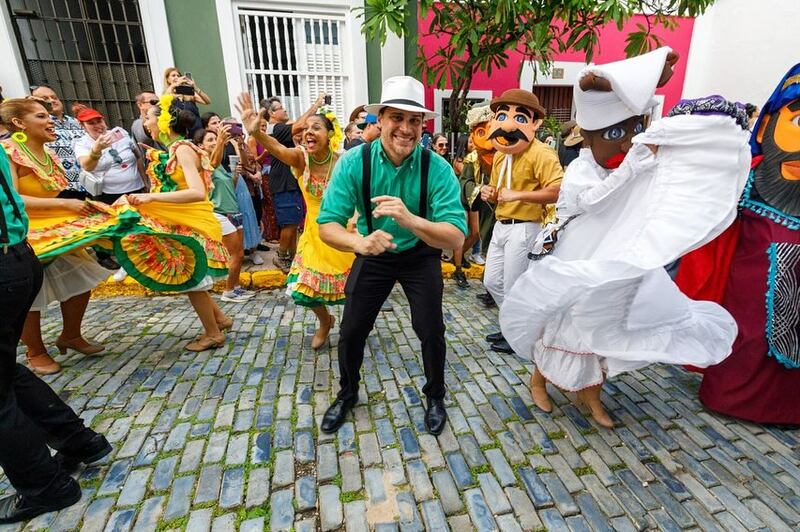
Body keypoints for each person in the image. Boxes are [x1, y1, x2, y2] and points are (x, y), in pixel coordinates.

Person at [500, 48, 750, 428]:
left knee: (600, 329)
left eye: (633, 131)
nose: (625, 143)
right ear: (587, 136)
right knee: (563, 322)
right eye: (616, 134)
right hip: (575, 257)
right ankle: (540, 380)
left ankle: (591, 394)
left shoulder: (631, 161)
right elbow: (591, 201)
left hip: (611, 260)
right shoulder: (582, 169)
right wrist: (633, 165)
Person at [315, 76, 468, 435]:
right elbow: (327, 225)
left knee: (431, 329)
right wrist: (358, 244)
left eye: (414, 120)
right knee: (352, 330)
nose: (405, 128)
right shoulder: (355, 162)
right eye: (396, 118)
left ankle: (435, 396)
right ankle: (347, 394)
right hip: (373, 252)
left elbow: (457, 236)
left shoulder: (437, 167)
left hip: (419, 253)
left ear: (423, 126)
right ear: (380, 119)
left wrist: (410, 219)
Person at [676, 63, 800, 425]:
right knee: (745, 338)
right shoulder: (746, 175)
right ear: (766, 126)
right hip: (747, 285)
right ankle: (732, 398)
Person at [0, 147, 112, 524]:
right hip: (17, 256)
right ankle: (80, 442)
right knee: (6, 372)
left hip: (7, 259)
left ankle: (46, 487)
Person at [1, 98, 109, 375]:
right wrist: (64, 205)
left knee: (82, 276)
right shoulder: (8, 151)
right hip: (28, 232)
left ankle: (71, 335)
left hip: (58, 227)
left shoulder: (47, 153)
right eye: (41, 116)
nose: (51, 121)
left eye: (49, 115)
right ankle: (36, 351)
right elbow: (12, 199)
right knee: (31, 293)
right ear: (18, 123)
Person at [238, 94, 354, 349]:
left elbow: (356, 195)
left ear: (330, 133)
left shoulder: (344, 162)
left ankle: (354, 327)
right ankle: (325, 321)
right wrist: (257, 133)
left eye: (316, 127)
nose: (308, 132)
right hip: (314, 233)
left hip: (344, 231)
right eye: (305, 128)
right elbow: (277, 149)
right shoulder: (301, 158)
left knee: (355, 289)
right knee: (304, 289)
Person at [131, 94, 232, 351]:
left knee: (192, 279)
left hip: (194, 221)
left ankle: (212, 334)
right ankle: (219, 319)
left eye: (149, 118)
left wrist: (150, 196)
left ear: (164, 123)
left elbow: (197, 191)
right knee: (193, 277)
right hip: (189, 220)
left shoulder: (183, 149)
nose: (146, 124)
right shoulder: (178, 149)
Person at [480, 89, 563, 354]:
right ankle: (515, 327)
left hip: (525, 227)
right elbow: (496, 191)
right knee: (492, 282)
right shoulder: (502, 152)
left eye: (519, 116)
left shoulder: (542, 153)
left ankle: (518, 334)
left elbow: (559, 190)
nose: (508, 123)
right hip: (501, 225)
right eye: (502, 115)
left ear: (534, 123)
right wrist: (488, 193)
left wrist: (519, 194)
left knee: (515, 286)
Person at [260, 94, 326, 272]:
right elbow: (300, 125)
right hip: (283, 184)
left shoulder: (282, 128)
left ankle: (294, 259)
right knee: (289, 223)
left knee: (294, 222)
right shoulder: (276, 128)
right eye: (281, 107)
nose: (285, 109)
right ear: (271, 114)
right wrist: (316, 105)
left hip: (290, 183)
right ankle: (281, 256)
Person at [195, 127, 253, 303]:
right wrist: (220, 140)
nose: (213, 142)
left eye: (215, 139)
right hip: (220, 213)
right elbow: (211, 164)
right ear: (200, 145)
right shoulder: (203, 164)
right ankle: (228, 291)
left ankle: (235, 287)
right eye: (209, 140)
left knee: (240, 254)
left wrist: (234, 175)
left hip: (233, 211)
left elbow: (230, 188)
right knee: (235, 255)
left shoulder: (220, 164)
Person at [453, 105, 496, 289]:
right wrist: (480, 190)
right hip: (469, 203)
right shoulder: (470, 160)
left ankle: (461, 258)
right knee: (463, 234)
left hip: (493, 210)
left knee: (478, 235)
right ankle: (457, 267)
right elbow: (465, 183)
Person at [73, 104, 147, 205]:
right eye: (91, 123)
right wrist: (96, 150)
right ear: (83, 126)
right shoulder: (82, 143)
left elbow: (138, 157)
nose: (98, 126)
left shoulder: (119, 133)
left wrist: (145, 182)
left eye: (99, 121)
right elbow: (87, 166)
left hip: (136, 190)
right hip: (108, 196)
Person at [31, 86, 84, 193]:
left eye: (54, 97)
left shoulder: (76, 122)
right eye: (45, 99)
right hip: (60, 188)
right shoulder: (38, 125)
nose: (52, 100)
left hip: (86, 185)